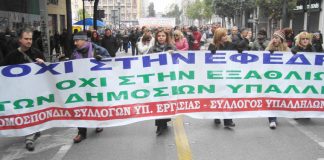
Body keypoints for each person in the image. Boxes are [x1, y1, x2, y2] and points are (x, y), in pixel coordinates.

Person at [1, 28, 45, 151]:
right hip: (19, 91)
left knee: (33, 111)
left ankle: (31, 134)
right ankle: (30, 135)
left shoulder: (37, 53)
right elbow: (3, 72)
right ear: (20, 40)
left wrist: (43, 63)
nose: (29, 41)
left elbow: (47, 70)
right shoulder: (12, 56)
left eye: (30, 39)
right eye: (26, 39)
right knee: (25, 112)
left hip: (35, 90)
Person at [71, 31, 111, 143]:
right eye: (74, 41)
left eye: (77, 40)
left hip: (96, 83)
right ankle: (81, 133)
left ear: (85, 40)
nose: (75, 43)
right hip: (81, 84)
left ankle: (98, 123)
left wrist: (101, 60)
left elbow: (110, 62)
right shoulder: (74, 53)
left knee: (96, 104)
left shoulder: (98, 50)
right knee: (80, 107)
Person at [148, 29, 177, 136]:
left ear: (166, 37)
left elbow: (178, 61)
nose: (161, 37)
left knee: (166, 101)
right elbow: (145, 61)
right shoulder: (152, 49)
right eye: (159, 36)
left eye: (163, 36)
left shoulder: (172, 48)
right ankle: (159, 125)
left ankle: (164, 121)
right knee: (158, 101)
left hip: (168, 78)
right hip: (156, 79)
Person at [208, 27, 236, 128]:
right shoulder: (212, 46)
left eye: (226, 35)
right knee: (217, 97)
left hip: (228, 74)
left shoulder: (231, 45)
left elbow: (241, 49)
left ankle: (228, 121)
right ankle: (216, 115)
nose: (225, 37)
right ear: (218, 37)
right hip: (216, 75)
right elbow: (209, 60)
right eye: (223, 35)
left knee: (227, 98)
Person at [265, 30, 290, 129]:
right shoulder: (269, 48)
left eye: (277, 37)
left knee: (279, 99)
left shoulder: (287, 50)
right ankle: (272, 119)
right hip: (271, 78)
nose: (274, 39)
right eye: (273, 37)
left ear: (281, 39)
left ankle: (276, 115)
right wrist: (268, 51)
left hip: (282, 78)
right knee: (271, 98)